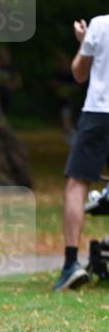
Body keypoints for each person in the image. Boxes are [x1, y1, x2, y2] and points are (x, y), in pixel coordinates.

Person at [53, 14, 109, 290]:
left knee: (77, 183)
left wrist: (85, 42)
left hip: (99, 112)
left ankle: (71, 264)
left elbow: (78, 73)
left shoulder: (100, 25)